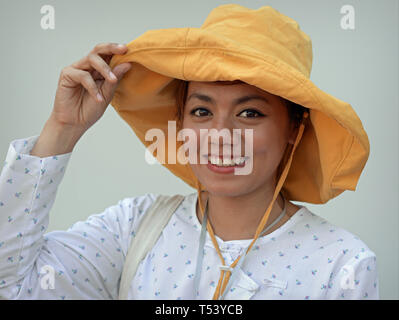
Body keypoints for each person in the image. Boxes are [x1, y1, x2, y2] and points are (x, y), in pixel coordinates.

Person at [0, 4, 378, 300]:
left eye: (250, 113)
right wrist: (63, 129)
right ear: (180, 122)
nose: (220, 135)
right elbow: (12, 284)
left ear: (295, 128)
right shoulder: (134, 228)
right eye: (202, 111)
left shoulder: (341, 264)